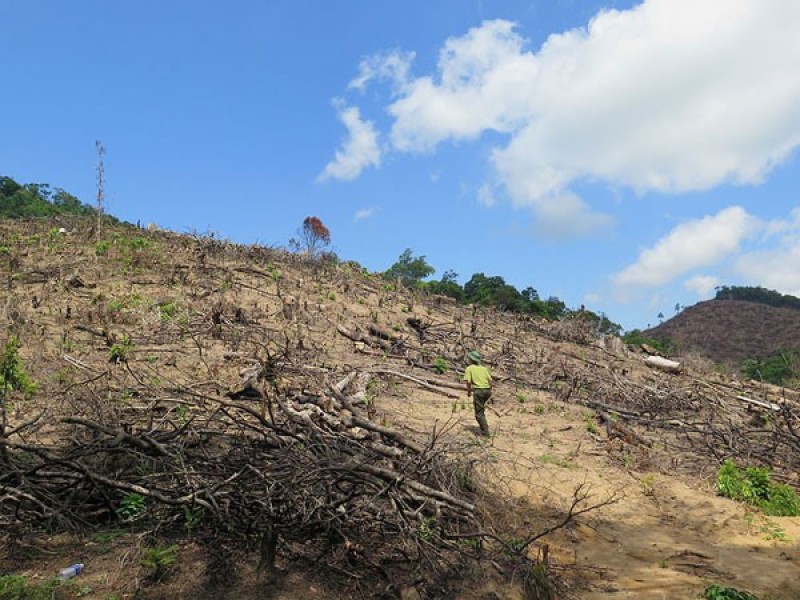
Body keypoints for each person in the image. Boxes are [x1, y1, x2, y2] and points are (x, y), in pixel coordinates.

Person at [463, 350, 492, 437]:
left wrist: (469, 391)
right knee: (481, 410)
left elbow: (468, 382)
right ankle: (484, 427)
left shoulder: (469, 368)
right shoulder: (484, 369)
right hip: (487, 390)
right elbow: (490, 381)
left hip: (478, 391)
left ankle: (485, 432)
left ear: (471, 359)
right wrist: (489, 391)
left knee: (478, 414)